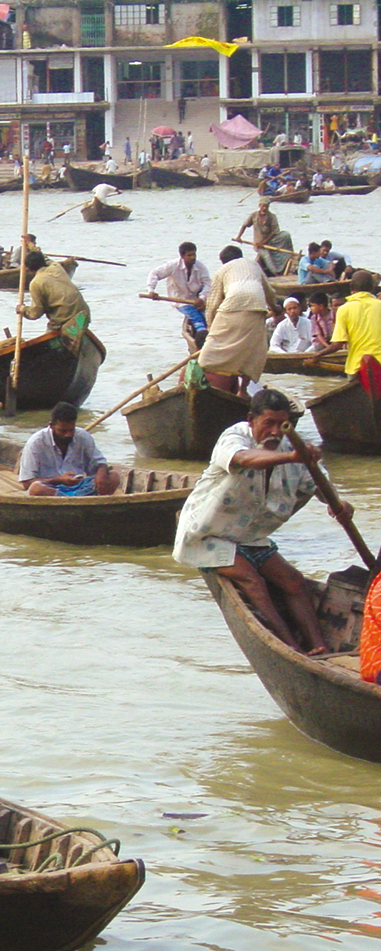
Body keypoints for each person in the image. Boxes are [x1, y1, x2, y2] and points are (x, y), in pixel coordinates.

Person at [174, 389, 350, 656]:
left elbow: (318, 484)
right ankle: (290, 647)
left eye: (281, 425)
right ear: (251, 419)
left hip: (250, 536)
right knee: (252, 581)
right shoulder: (234, 438)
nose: (275, 432)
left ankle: (319, 645)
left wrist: (337, 504)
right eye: (268, 423)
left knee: (294, 582)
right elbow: (245, 459)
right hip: (207, 535)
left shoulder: (293, 447)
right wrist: (291, 458)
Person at [200, 245, 282, 394]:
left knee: (212, 345)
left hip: (232, 305)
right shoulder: (254, 264)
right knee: (253, 350)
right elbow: (269, 292)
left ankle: (199, 376)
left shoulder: (222, 271)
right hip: (257, 307)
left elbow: (213, 302)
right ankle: (242, 390)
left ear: (223, 262)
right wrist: (275, 309)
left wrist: (211, 326)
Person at [18, 402, 119, 496]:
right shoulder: (36, 442)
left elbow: (100, 462)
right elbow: (27, 482)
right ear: (51, 426)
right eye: (62, 431)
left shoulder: (83, 436)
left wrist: (101, 473)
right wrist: (58, 480)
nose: (68, 435)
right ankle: (75, 499)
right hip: (51, 488)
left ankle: (75, 498)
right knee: (36, 488)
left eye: (71, 430)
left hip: (80, 487)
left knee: (113, 477)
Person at [147, 241, 212, 349]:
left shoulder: (200, 267)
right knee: (197, 318)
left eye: (194, 254)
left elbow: (207, 284)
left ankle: (209, 333)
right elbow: (155, 273)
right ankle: (203, 342)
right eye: (189, 255)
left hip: (197, 296)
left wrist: (202, 298)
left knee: (208, 315)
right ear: (182, 256)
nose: (192, 257)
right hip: (181, 300)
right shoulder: (173, 266)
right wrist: (151, 290)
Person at [316, 270, 381, 375]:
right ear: (372, 288)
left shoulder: (344, 309)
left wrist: (318, 355)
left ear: (351, 288)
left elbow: (337, 344)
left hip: (357, 366)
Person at [18, 251, 93, 334]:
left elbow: (35, 313)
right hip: (83, 313)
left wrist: (22, 309)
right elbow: (46, 258)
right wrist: (31, 245)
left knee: (49, 335)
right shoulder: (56, 267)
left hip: (63, 320)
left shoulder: (36, 283)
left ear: (28, 270)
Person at [237, 199, 294, 277]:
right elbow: (244, 226)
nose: (264, 208)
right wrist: (239, 237)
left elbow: (274, 232)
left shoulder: (272, 216)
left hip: (269, 241)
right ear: (259, 206)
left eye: (266, 206)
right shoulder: (253, 215)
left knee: (286, 235)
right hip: (258, 244)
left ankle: (288, 255)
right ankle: (276, 274)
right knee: (267, 257)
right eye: (263, 206)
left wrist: (264, 242)